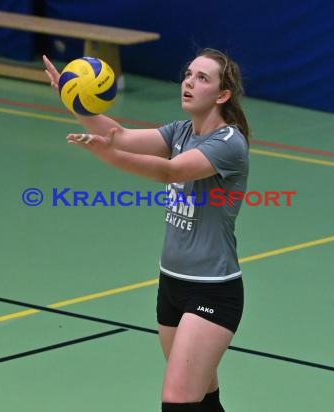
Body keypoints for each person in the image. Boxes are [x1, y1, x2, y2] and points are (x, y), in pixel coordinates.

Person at [43, 48, 250, 412]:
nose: (189, 82)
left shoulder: (228, 144)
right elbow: (119, 134)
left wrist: (106, 154)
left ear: (222, 95)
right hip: (171, 284)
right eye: (188, 74)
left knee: (176, 401)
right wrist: (73, 95)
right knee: (202, 398)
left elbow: (169, 171)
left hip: (213, 290)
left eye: (202, 78)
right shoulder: (182, 131)